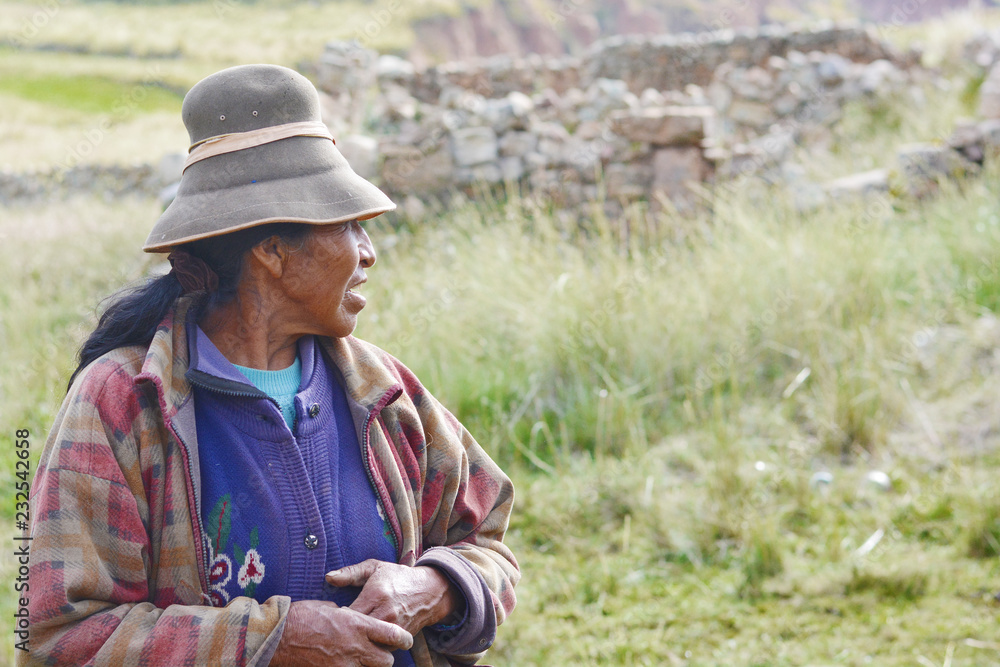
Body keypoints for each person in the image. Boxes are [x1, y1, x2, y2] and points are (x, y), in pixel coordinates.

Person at [21, 64, 519, 667]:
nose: (370, 253)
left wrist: (434, 587)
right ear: (272, 250)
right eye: (349, 225)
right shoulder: (124, 405)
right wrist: (267, 642)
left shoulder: (384, 391)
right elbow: (62, 639)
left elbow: (484, 539)